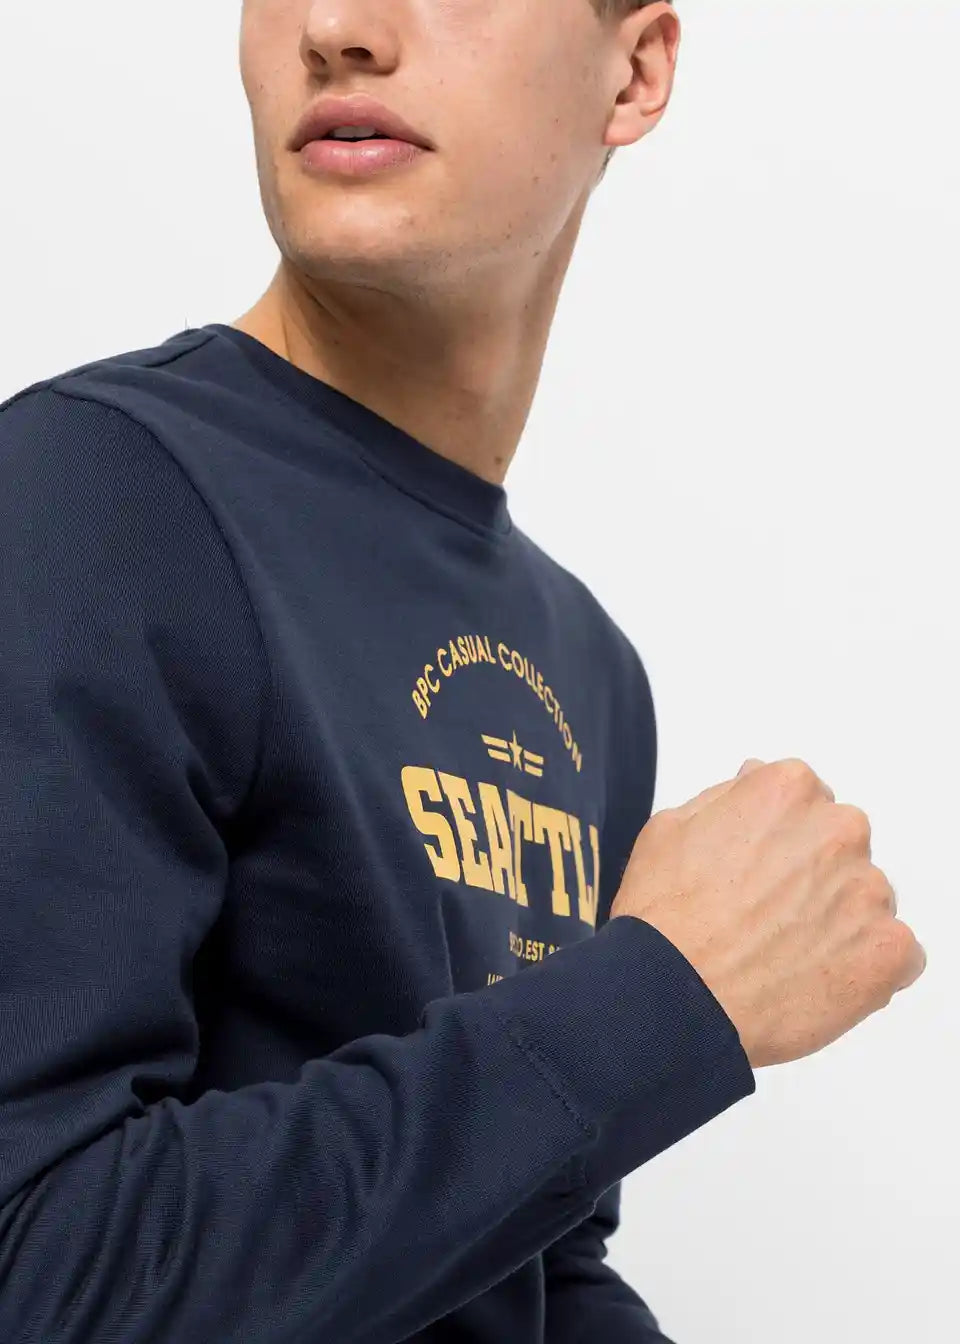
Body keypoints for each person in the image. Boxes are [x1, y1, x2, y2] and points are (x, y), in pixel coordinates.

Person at [0, 3, 925, 1342]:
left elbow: (520, 1279)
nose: (338, 28)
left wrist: (638, 1022)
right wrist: (666, 993)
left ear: (635, 70)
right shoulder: (91, 501)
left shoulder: (583, 664)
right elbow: (38, 1272)